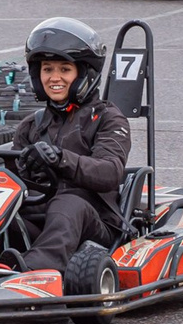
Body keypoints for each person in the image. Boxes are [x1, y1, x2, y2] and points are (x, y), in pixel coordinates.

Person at [7, 16, 132, 276]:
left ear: (84, 74)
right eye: (47, 70)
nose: (54, 78)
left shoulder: (108, 118)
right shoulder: (32, 125)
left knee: (68, 203)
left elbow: (110, 172)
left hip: (94, 224)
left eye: (64, 70)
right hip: (42, 219)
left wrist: (61, 159)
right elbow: (12, 180)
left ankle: (33, 272)